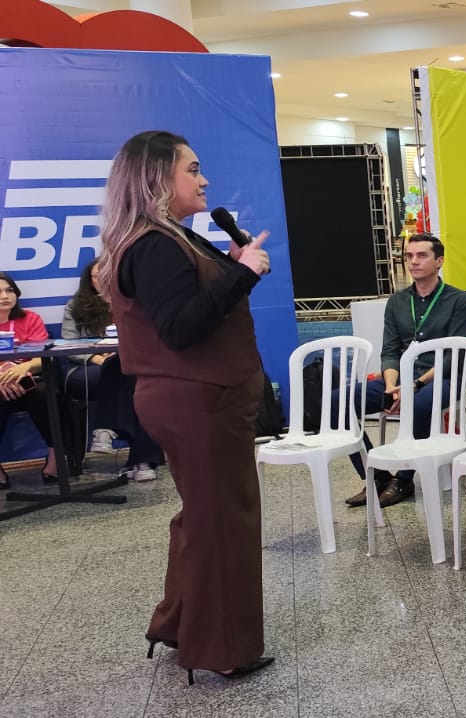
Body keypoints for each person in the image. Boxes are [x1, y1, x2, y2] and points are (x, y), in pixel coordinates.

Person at [98, 130, 276, 682]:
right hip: (197, 400)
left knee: (204, 516)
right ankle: (223, 649)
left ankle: (181, 623)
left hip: (202, 398)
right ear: (157, 177)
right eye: (192, 170)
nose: (204, 180)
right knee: (222, 521)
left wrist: (234, 269)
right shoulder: (154, 244)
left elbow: (197, 307)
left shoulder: (167, 237)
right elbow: (181, 328)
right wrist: (243, 272)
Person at [344, 233, 466, 508]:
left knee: (419, 403)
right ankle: (377, 476)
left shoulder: (458, 300)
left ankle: (404, 479)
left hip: (442, 378)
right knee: (340, 401)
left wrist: (415, 385)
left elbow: (454, 355)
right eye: (409, 256)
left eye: (422, 255)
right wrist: (393, 385)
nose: (413, 261)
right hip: (401, 379)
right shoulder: (398, 301)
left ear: (439, 261)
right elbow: (390, 351)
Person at [60, 260, 164, 482]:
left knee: (137, 383)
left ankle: (105, 431)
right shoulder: (75, 306)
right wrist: (99, 359)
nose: (104, 279)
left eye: (109, 273)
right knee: (128, 377)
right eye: (98, 275)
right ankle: (144, 462)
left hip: (130, 367)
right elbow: (68, 345)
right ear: (90, 281)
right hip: (86, 369)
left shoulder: (134, 302)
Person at [0, 271, 59, 485]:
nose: (5, 296)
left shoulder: (30, 318)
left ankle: (55, 457)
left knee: (45, 395)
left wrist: (24, 367)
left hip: (29, 381)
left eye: (9, 290)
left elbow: (42, 359)